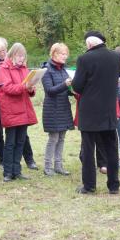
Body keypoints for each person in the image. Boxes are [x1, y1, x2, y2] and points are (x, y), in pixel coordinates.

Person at [72, 31, 120, 194]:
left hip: (89, 111)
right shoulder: (115, 56)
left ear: (89, 45)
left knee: (88, 149)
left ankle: (89, 185)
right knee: (111, 148)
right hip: (108, 108)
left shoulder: (84, 59)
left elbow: (77, 86)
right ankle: (114, 185)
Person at [0, 37, 38, 170]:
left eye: (4, 50)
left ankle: (29, 159)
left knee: (21, 132)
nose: (2, 53)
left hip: (15, 99)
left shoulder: (17, 62)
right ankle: (3, 161)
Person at [0, 43, 38, 182]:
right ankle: (8, 172)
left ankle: (17, 170)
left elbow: (28, 90)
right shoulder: (3, 69)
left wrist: (31, 88)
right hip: (11, 110)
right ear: (12, 55)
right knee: (10, 142)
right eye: (19, 56)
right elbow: (7, 88)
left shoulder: (24, 69)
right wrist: (24, 86)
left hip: (24, 109)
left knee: (21, 141)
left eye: (23, 56)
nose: (21, 59)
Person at [41, 43, 74, 176]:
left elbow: (67, 90)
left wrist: (73, 90)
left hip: (64, 107)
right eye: (62, 54)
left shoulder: (65, 69)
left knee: (61, 138)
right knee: (53, 138)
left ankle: (58, 166)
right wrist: (65, 84)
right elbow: (50, 91)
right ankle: (48, 167)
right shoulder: (46, 69)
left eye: (66, 54)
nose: (65, 56)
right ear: (54, 54)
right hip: (52, 109)